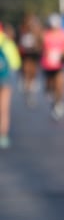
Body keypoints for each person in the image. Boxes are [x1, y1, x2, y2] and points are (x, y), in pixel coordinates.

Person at [41, 13, 64, 120]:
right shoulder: (45, 34)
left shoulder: (63, 34)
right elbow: (42, 47)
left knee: (60, 85)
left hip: (60, 65)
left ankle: (59, 103)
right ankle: (54, 101)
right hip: (48, 65)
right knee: (50, 86)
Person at [0, 20, 23, 148]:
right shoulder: (7, 43)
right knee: (4, 109)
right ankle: (3, 135)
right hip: (4, 80)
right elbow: (15, 64)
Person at [16, 13, 42, 106]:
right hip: (25, 54)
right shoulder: (21, 29)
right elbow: (18, 41)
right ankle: (27, 89)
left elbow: (40, 42)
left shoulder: (37, 30)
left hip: (34, 54)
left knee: (33, 72)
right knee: (26, 70)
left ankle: (32, 90)